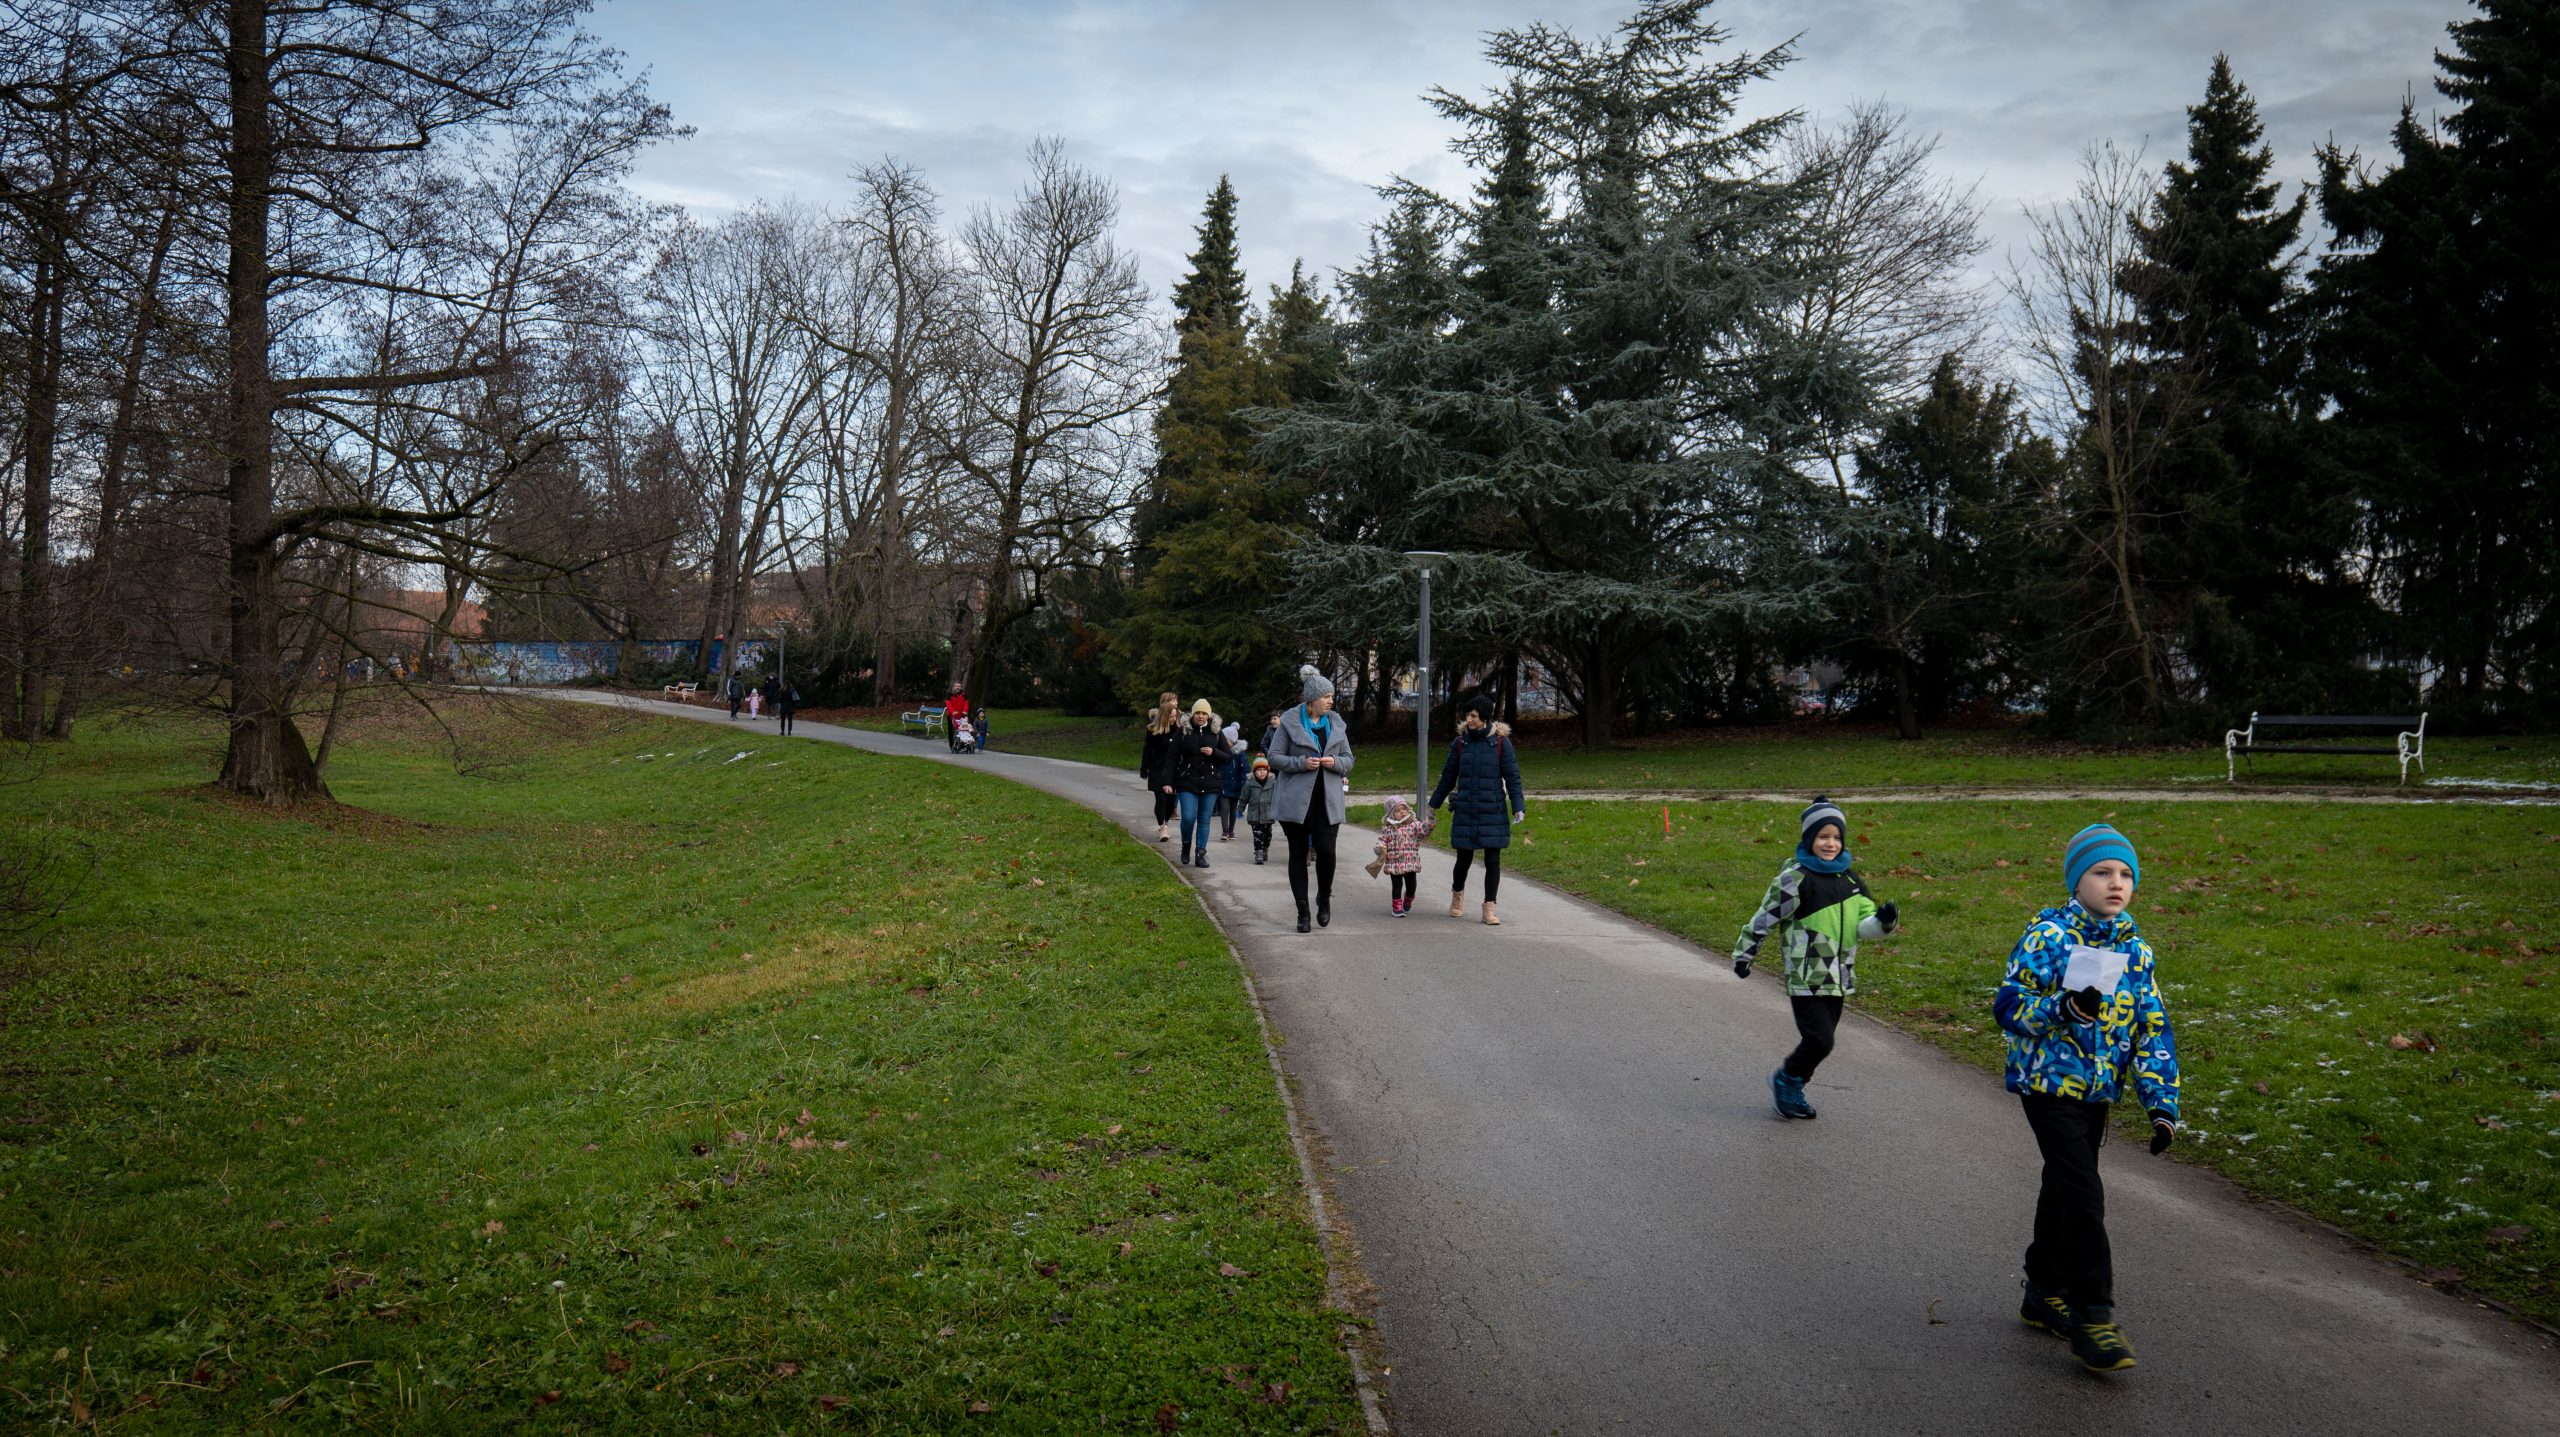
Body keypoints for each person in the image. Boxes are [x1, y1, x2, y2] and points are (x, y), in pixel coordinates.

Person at [1992, 823, 2181, 1376]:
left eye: (2125, 874)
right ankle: (2092, 1313)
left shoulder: (2136, 949)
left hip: (2097, 1089)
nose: (2115, 883)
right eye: (2102, 872)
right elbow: (2008, 1006)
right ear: (2077, 881)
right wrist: (2060, 1011)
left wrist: (2162, 1103)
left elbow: (2152, 1028)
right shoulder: (2048, 936)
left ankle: (2041, 1290)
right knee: (2083, 1191)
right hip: (2047, 1084)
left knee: (2063, 1187)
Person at [1732, 797, 1900, 1121]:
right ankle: (1786, 1079)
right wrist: (1745, 953)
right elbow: (1765, 917)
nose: (1831, 843)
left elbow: (1863, 925)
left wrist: (1884, 921)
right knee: (1820, 1040)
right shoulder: (1795, 877)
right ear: (1810, 839)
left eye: (1836, 837)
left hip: (1838, 975)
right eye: (1823, 836)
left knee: (1823, 1040)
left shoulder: (1849, 879)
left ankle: (1794, 1084)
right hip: (1806, 974)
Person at [1269, 666, 1355, 932]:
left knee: (1327, 852)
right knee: (1298, 854)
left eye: (1331, 696)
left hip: (1327, 802)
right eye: (1326, 696)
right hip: (1296, 802)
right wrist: (1301, 763)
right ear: (1311, 700)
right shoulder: (1290, 723)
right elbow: (1274, 757)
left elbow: (1349, 760)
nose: (1331, 701)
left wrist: (1335, 762)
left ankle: (1324, 898)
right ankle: (1302, 911)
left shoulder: (1336, 723)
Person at [1428, 695, 1525, 926]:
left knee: (1493, 860)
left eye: (1473, 715)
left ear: (1484, 717)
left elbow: (1513, 777)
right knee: (1463, 858)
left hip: (1493, 809)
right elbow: (1448, 776)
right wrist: (1434, 804)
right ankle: (1457, 896)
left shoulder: (1501, 742)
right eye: (1467, 715)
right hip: (1466, 809)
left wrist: (1518, 806)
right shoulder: (1461, 743)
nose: (1468, 719)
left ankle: (1489, 908)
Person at [1168, 698, 1231, 868]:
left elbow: (1228, 756)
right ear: (1193, 714)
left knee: (1204, 819)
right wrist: (1168, 781)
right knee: (1188, 817)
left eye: (1204, 713)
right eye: (1198, 713)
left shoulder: (1216, 732)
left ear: (1209, 715)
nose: (1201, 716)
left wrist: (1214, 752)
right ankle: (1186, 845)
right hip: (1187, 780)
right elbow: (1172, 758)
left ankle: (1200, 853)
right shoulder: (1183, 731)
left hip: (1210, 782)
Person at [1372, 795, 1433, 916]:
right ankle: (1397, 907)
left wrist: (1430, 820)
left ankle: (1409, 898)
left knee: (1411, 886)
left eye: (1403, 809)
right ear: (1391, 814)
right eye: (1398, 811)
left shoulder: (1414, 825)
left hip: (1410, 862)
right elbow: (1382, 840)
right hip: (1394, 863)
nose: (1402, 812)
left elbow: (1424, 830)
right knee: (1397, 886)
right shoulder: (1388, 829)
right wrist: (1379, 848)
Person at [1140, 692, 1182, 842]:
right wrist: (1144, 768)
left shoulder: (1179, 730)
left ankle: (1166, 820)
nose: (1173, 719)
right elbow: (1147, 749)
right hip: (1158, 768)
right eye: (1171, 717)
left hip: (1173, 770)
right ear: (1164, 716)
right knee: (1161, 798)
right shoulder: (1153, 730)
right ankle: (1163, 826)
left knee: (1171, 802)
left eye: (1175, 717)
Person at [1240, 755, 1279, 865]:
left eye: (1264, 770)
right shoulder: (1249, 784)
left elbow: (1277, 797)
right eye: (1259, 770)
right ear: (1254, 772)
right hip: (1255, 815)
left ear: (1268, 771)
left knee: (1267, 835)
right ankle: (1259, 853)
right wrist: (1240, 809)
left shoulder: (1273, 783)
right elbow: (1244, 797)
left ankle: (1265, 848)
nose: (1261, 772)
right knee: (1258, 835)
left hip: (1268, 814)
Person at [1215, 720, 1248, 840]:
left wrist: (1244, 781)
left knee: (1233, 810)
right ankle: (1225, 831)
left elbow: (1245, 768)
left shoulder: (1240, 754)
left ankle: (1231, 831)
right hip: (1223, 785)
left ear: (1232, 741)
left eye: (1225, 740)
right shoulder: (1220, 752)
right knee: (1224, 809)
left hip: (1236, 786)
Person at [943, 685, 970, 753]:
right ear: (954, 687)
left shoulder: (964, 694)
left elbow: (966, 703)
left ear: (961, 687)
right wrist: (952, 711)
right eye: (957, 686)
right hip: (952, 716)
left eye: (959, 686)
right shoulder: (949, 694)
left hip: (961, 715)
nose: (958, 687)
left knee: (963, 730)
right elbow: (948, 704)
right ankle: (952, 745)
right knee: (951, 731)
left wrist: (965, 711)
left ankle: (963, 745)